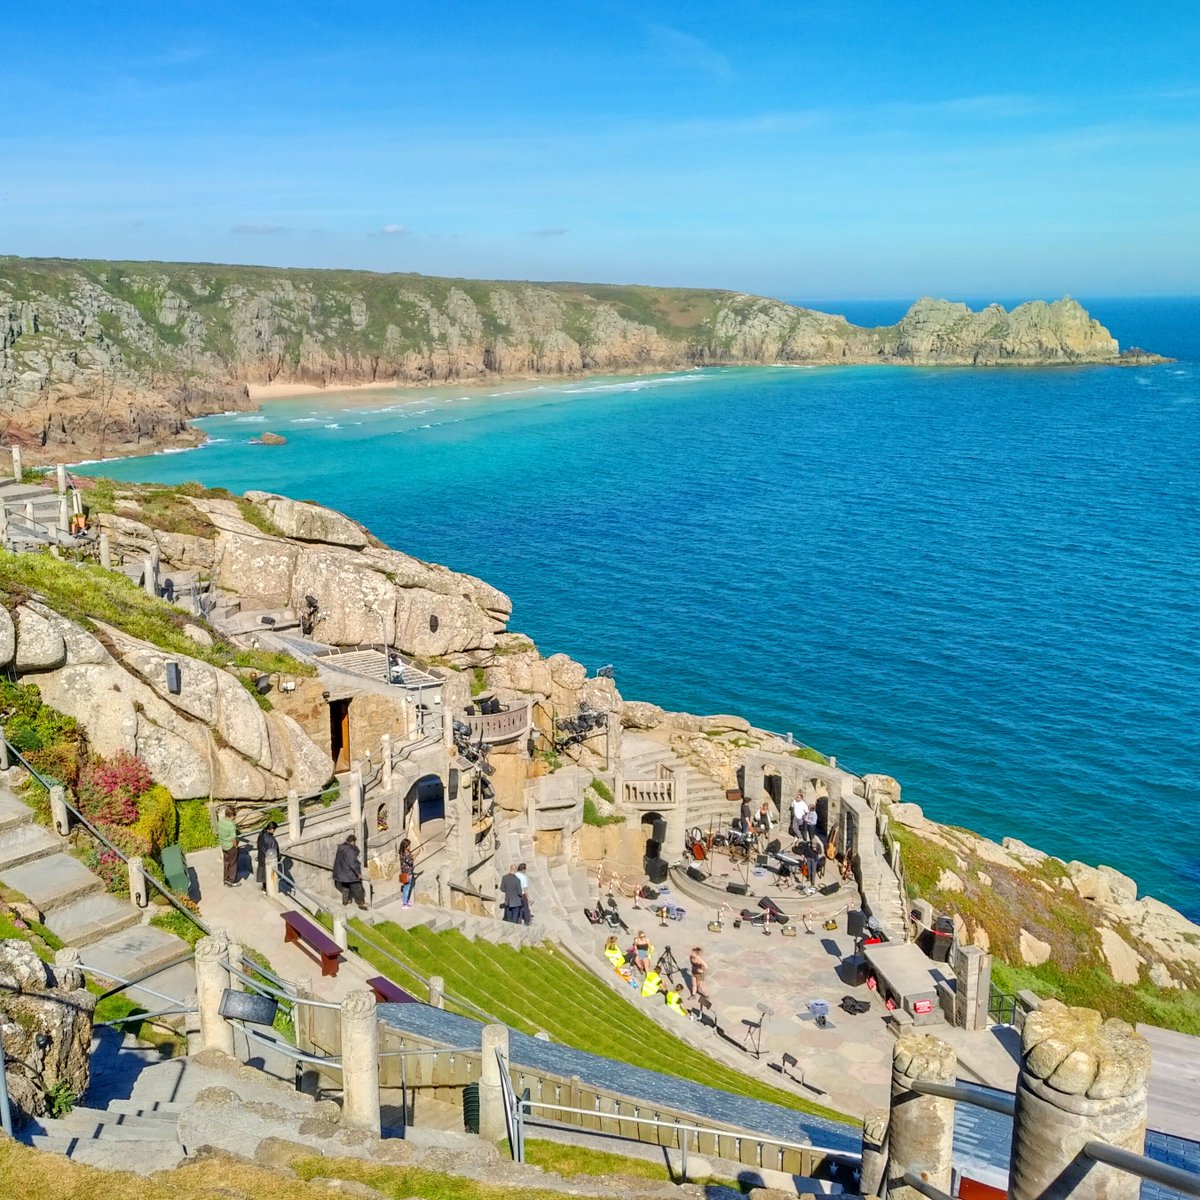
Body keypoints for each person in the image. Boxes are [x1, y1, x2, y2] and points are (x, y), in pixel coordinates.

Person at [333, 833, 367, 909]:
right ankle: (361, 903)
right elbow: (352, 864)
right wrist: (358, 873)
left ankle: (345, 902)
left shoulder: (341, 847)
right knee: (357, 887)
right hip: (349, 874)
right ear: (353, 842)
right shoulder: (350, 851)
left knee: (345, 887)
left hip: (341, 873)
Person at [217, 805, 240, 887]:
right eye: (234, 816)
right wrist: (236, 846)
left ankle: (225, 879)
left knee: (226, 862)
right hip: (230, 847)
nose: (235, 818)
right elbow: (233, 839)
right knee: (233, 863)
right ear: (232, 816)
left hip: (223, 845)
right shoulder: (231, 825)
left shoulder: (221, 821)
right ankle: (231, 880)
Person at [255, 820, 279, 891]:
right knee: (268, 876)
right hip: (267, 860)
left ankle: (264, 888)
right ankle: (269, 890)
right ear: (272, 829)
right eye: (274, 830)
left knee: (263, 876)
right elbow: (274, 851)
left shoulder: (261, 834)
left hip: (261, 857)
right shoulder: (271, 839)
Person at [398, 838, 416, 907]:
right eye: (409, 845)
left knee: (406, 887)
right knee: (407, 888)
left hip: (404, 872)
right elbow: (411, 862)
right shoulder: (406, 855)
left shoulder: (402, 853)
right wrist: (416, 854)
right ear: (406, 846)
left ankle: (405, 900)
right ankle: (405, 904)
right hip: (408, 873)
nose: (410, 846)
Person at [516, 861, 533, 925]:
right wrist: (528, 898)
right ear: (523, 869)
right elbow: (525, 888)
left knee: (518, 908)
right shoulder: (523, 877)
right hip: (522, 894)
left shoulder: (515, 875)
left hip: (515, 894)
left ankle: (518, 920)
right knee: (526, 908)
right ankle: (527, 921)